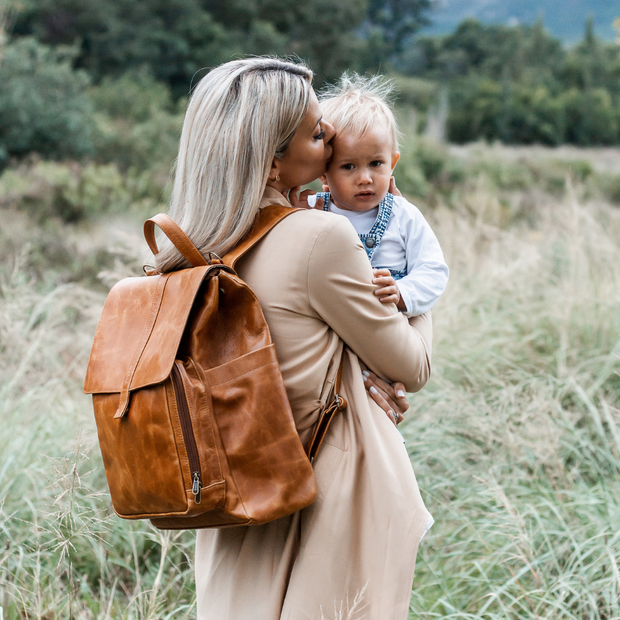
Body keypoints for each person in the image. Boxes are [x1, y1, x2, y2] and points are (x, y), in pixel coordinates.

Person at [156, 57, 434, 620]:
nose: (329, 138)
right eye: (315, 133)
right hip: (326, 501)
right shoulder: (320, 237)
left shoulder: (187, 250)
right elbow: (413, 365)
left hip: (233, 498)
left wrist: (352, 372)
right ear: (271, 160)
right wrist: (408, 274)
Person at [304, 74, 449, 319]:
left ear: (392, 163)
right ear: (323, 174)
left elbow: (433, 269)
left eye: (375, 163)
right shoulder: (310, 209)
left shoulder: (403, 215)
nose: (365, 178)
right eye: (348, 166)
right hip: (332, 321)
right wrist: (294, 215)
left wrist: (403, 292)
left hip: (387, 325)